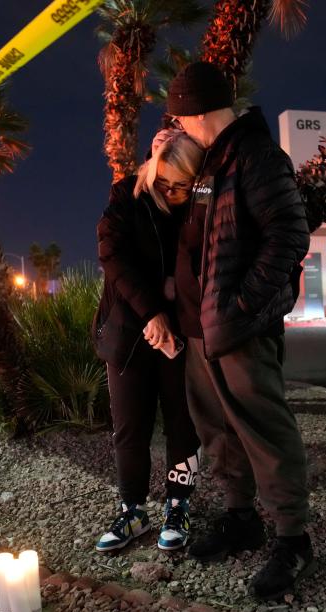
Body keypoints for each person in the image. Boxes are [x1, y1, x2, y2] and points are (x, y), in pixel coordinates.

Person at [165, 61, 314, 600]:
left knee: (264, 432)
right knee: (220, 433)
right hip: (202, 328)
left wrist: (244, 303)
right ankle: (240, 518)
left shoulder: (256, 156)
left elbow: (289, 235)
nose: (177, 126)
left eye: (179, 117)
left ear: (199, 111)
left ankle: (292, 540)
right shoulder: (212, 161)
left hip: (240, 327)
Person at [92, 129, 205, 553]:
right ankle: (132, 510)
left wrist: (174, 297)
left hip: (180, 333)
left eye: (182, 186)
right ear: (151, 169)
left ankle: (178, 505)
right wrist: (153, 310)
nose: (172, 193)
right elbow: (112, 255)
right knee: (129, 428)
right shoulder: (127, 196)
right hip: (128, 332)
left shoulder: (198, 205)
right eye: (164, 183)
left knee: (183, 421)